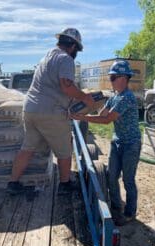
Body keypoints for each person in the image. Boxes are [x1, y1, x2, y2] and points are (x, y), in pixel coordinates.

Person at [7, 27, 95, 195]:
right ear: (73, 47)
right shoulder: (66, 59)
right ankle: (65, 184)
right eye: (77, 50)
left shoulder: (46, 57)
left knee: (27, 148)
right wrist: (85, 97)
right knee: (64, 149)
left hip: (30, 109)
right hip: (50, 111)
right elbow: (66, 86)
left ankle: (13, 182)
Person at [71, 60, 142, 226]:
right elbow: (102, 111)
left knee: (128, 180)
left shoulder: (127, 98)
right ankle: (117, 208)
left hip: (130, 144)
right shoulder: (115, 96)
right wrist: (94, 101)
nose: (111, 80)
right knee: (111, 177)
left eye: (113, 77)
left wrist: (83, 117)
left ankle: (130, 213)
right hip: (118, 142)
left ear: (124, 78)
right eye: (110, 77)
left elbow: (106, 120)